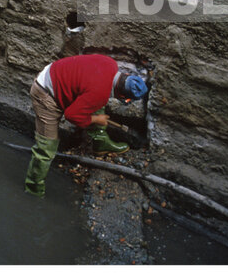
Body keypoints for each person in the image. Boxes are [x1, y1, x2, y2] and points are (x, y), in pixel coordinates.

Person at [24, 54, 148, 197]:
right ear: (121, 95)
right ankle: (33, 189)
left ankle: (100, 144)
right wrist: (96, 120)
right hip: (45, 93)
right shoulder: (100, 93)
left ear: (126, 74)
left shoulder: (110, 63)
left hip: (57, 73)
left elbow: (88, 80)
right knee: (46, 148)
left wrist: (96, 116)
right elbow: (72, 116)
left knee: (97, 104)